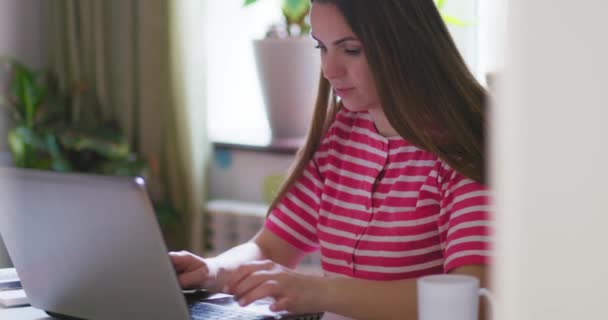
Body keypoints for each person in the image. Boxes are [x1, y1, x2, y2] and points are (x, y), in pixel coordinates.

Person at [170, 0, 491, 319]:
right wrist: (212, 271)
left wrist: (319, 291)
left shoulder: (463, 146)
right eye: (321, 48)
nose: (329, 70)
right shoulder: (343, 131)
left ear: (405, 43)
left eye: (351, 50)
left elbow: (470, 297)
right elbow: (271, 247)